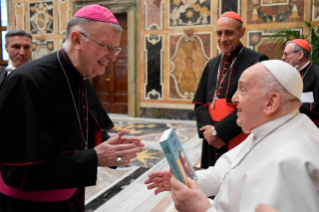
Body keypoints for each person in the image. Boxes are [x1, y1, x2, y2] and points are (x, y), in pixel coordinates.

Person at [0, 4, 144, 212]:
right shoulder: (26, 81)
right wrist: (94, 157)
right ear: (77, 40)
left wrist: (109, 146)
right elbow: (18, 172)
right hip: (30, 205)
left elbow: (78, 133)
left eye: (116, 48)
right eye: (106, 46)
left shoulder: (81, 77)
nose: (113, 57)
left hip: (69, 197)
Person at [146, 60, 319, 211]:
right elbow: (223, 174)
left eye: (242, 90)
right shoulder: (272, 127)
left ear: (271, 102)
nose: (234, 98)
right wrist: (188, 180)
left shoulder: (290, 162)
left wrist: (201, 209)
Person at [193, 11, 269, 168]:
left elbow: (256, 104)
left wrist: (219, 131)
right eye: (219, 33)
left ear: (241, 32)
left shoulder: (257, 61)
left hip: (239, 135)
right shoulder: (212, 64)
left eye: (229, 33)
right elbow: (200, 103)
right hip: (211, 139)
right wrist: (209, 132)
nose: (223, 39)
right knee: (211, 184)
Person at [282, 39, 319, 128]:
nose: (283, 57)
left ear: (300, 54)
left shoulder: (317, 74)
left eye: (286, 54)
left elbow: (316, 107)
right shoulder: (288, 74)